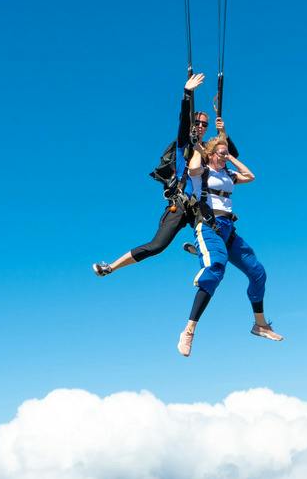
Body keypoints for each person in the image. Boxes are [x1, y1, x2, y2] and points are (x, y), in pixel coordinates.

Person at [92, 72, 215, 277]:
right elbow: (183, 122)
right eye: (198, 123)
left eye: (205, 124)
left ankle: (203, 250)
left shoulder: (207, 151)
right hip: (181, 203)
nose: (201, 127)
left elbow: (230, 153)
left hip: (200, 205)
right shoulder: (184, 145)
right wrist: (187, 94)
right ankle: (110, 267)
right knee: (157, 246)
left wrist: (223, 129)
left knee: (223, 234)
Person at [176, 134, 281, 357]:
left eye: (226, 153)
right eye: (221, 154)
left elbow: (250, 176)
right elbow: (193, 168)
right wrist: (198, 148)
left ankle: (260, 324)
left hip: (228, 230)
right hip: (208, 226)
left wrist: (230, 156)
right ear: (211, 155)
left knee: (257, 272)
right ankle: (189, 330)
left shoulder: (228, 174)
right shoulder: (202, 173)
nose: (224, 157)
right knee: (216, 269)